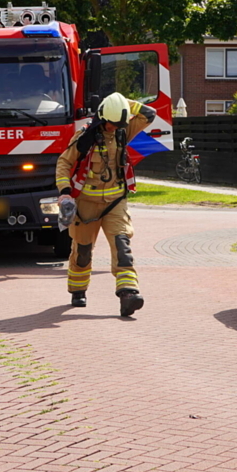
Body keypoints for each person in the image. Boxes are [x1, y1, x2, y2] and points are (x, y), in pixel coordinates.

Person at [55, 92, 156, 317]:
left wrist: (122, 103)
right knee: (82, 252)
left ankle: (128, 294)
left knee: (122, 246)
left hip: (115, 202)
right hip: (86, 205)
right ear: (102, 119)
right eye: (111, 124)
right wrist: (64, 194)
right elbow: (64, 163)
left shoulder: (122, 131)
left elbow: (150, 114)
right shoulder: (84, 138)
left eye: (118, 124)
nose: (114, 128)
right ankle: (78, 289)